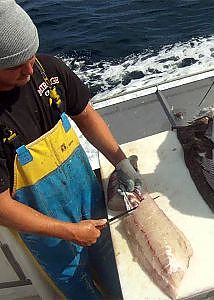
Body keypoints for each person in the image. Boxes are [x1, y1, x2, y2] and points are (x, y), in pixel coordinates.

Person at [0, 1, 142, 299]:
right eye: (15, 66)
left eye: (30, 56)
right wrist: (69, 232)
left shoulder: (48, 68)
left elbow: (86, 117)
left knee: (125, 281)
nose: (29, 70)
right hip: (47, 236)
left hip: (91, 205)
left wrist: (119, 160)